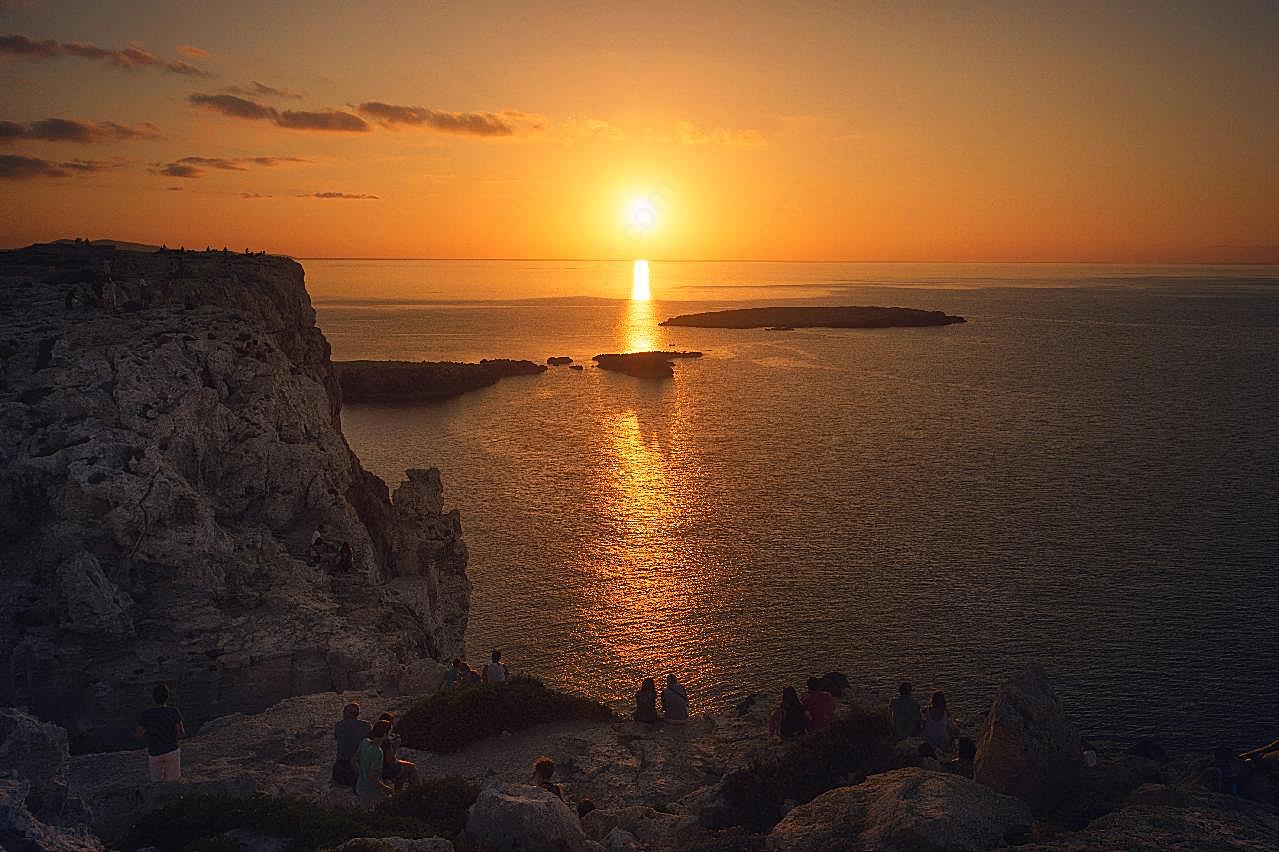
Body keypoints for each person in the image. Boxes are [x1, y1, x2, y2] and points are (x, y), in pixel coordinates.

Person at [136, 683, 186, 782]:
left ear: (153, 698)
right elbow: (181, 732)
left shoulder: (147, 714)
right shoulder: (173, 712)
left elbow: (138, 734)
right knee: (173, 782)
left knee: (156, 783)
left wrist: (150, 734)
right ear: (167, 697)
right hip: (172, 750)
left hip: (155, 751)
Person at [332, 702, 371, 786]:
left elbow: (337, 738)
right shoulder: (366, 726)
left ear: (347, 713)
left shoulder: (339, 725)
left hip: (342, 765)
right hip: (360, 764)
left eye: (344, 711)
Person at [376, 713, 416, 791]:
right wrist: (395, 747)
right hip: (382, 768)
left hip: (371, 766)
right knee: (411, 767)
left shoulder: (370, 736)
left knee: (403, 769)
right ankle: (413, 793)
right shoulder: (385, 740)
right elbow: (391, 760)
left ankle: (398, 793)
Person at [357, 719, 394, 802]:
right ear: (385, 734)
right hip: (371, 791)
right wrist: (386, 788)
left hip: (359, 786)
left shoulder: (364, 742)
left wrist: (362, 773)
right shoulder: (378, 752)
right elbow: (372, 776)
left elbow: (353, 760)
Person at [922, 690, 957, 755]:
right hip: (942, 741)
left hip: (929, 741)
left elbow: (922, 724)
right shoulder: (946, 713)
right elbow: (950, 728)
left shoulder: (925, 711)